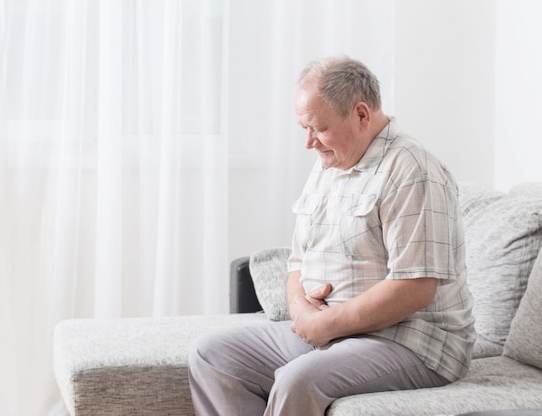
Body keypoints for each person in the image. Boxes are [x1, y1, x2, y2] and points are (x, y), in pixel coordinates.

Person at [188, 56, 475, 416]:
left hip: (411, 341)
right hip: (333, 333)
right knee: (213, 355)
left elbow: (415, 287)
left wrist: (324, 324)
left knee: (299, 380)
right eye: (303, 129)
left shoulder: (412, 170)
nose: (309, 142)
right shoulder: (331, 162)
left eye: (318, 128)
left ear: (360, 114)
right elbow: (298, 262)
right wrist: (300, 310)